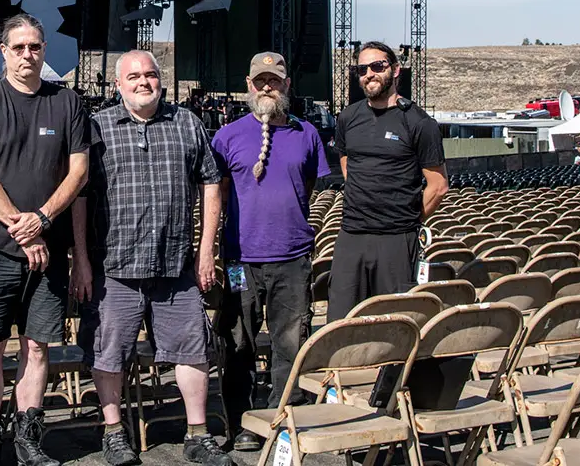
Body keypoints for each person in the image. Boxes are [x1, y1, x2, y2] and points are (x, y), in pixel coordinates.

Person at [75, 50, 227, 466]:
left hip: (175, 265)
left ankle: (198, 433)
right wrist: (82, 260)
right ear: (118, 85)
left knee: (192, 349)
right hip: (115, 266)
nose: (144, 82)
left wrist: (206, 250)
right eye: (134, 76)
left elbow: (211, 184)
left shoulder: (187, 123)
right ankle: (113, 433)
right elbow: (80, 196)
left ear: (161, 80)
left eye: (151, 75)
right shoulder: (97, 127)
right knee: (109, 352)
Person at [0, 14, 90, 466]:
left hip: (49, 252)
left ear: (44, 49)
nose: (27, 55)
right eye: (18, 48)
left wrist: (43, 218)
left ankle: (28, 439)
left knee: (37, 346)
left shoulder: (66, 101)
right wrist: (23, 227)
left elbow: (78, 171)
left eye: (34, 46)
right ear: (3, 52)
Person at [211, 52, 330, 453]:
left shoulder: (306, 134)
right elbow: (219, 195)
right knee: (237, 343)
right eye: (260, 80)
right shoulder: (227, 136)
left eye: (274, 81)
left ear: (286, 86)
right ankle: (241, 423)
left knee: (289, 344)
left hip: (292, 259)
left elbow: (308, 185)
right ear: (248, 84)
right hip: (240, 261)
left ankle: (282, 419)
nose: (267, 87)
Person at [327, 41, 447, 321]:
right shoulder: (348, 117)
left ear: (394, 70)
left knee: (395, 324)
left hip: (396, 240)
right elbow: (346, 160)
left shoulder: (419, 123)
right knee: (340, 322)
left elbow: (438, 186)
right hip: (352, 235)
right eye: (362, 69)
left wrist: (404, 219)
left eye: (377, 66)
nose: (369, 73)